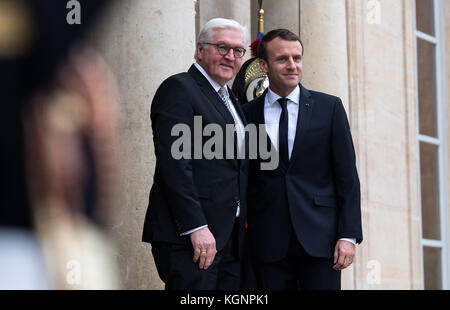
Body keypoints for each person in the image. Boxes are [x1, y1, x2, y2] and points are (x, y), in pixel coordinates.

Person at [242, 29, 363, 290]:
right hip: (267, 241)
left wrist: (348, 235)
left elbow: (347, 178)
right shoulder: (246, 115)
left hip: (322, 241)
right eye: (282, 59)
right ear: (264, 65)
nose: (292, 65)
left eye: (297, 58)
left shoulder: (329, 108)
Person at [142, 18, 249, 290]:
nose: (230, 56)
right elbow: (175, 165)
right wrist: (195, 227)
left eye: (238, 51)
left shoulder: (230, 98)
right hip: (192, 237)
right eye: (222, 47)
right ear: (200, 50)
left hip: (230, 236)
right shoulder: (179, 88)